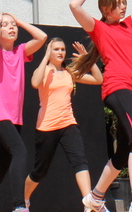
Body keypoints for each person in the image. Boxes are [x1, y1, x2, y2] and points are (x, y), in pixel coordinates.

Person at [69, 0, 132, 212]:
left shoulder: (128, 25)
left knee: (124, 150)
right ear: (106, 9)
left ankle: (95, 198)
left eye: (124, 2)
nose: (124, 6)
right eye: (118, 4)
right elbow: (74, 6)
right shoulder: (99, 29)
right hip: (117, 87)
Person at [0, 13, 47, 212]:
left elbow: (42, 37)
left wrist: (18, 20)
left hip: (15, 116)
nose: (12, 28)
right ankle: (19, 206)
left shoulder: (21, 51)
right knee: (20, 151)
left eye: (14, 25)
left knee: (1, 166)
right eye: (6, 25)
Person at [23, 38, 103, 209]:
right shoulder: (43, 71)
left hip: (68, 123)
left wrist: (86, 58)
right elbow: (34, 83)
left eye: (62, 49)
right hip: (46, 126)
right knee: (39, 171)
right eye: (56, 49)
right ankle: (24, 200)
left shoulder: (69, 72)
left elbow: (98, 79)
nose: (60, 52)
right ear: (49, 51)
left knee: (80, 161)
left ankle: (88, 204)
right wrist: (45, 57)